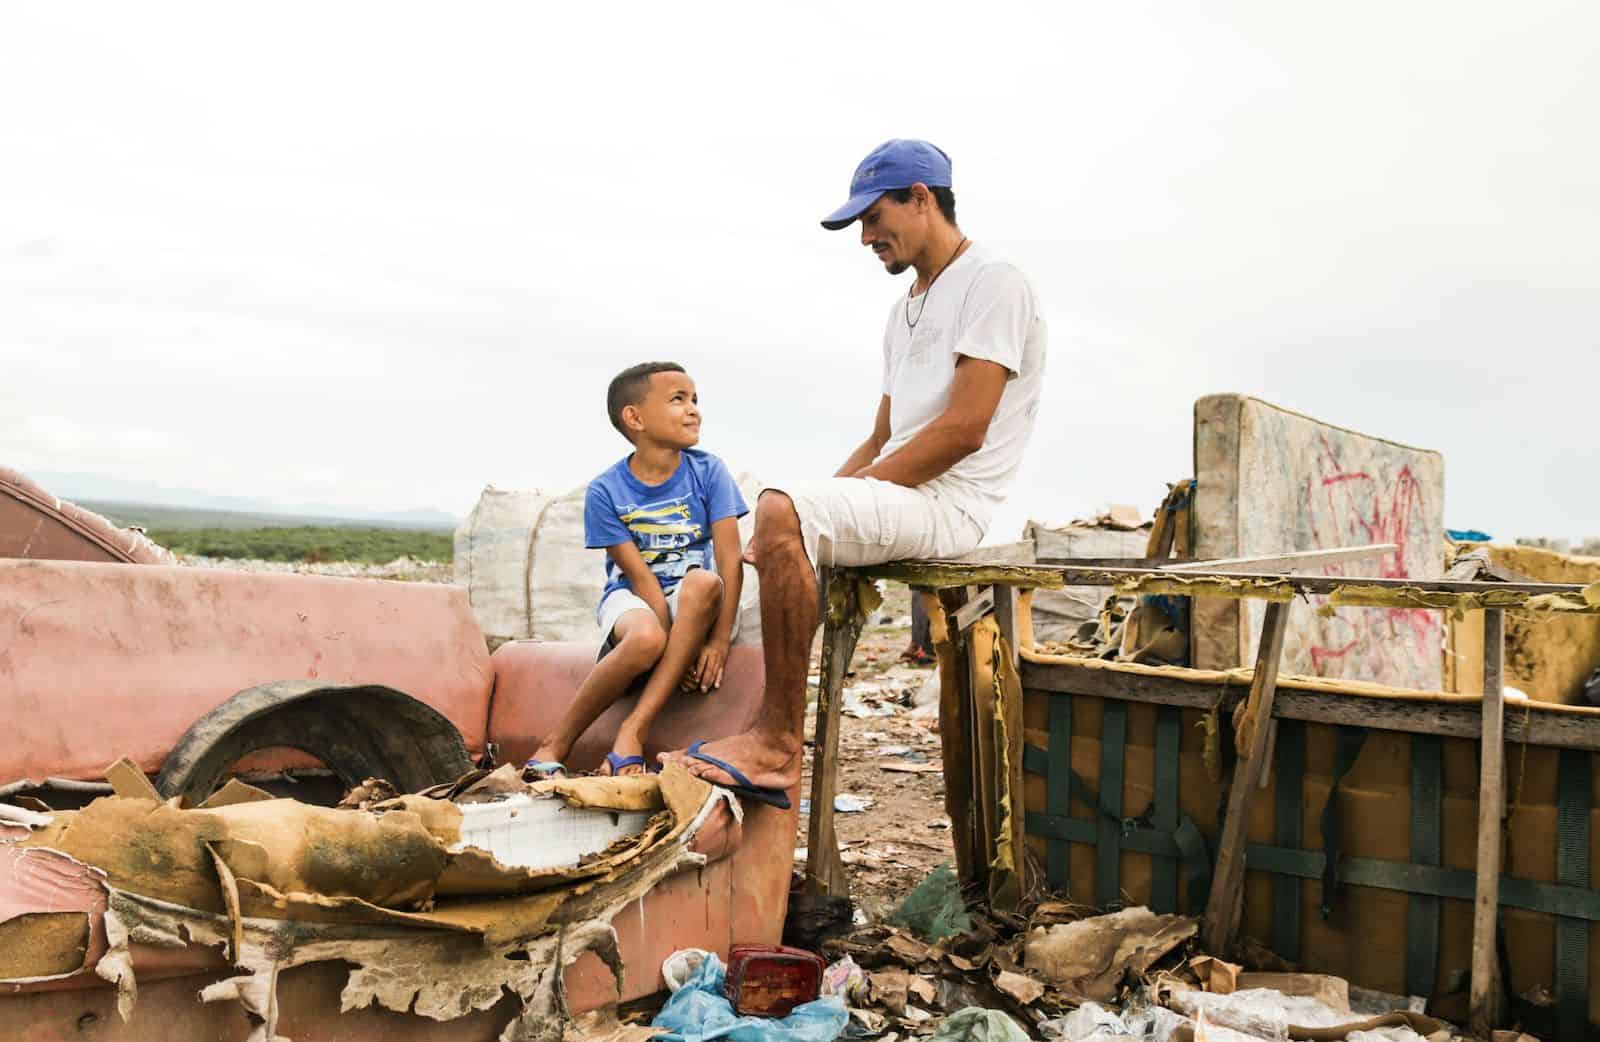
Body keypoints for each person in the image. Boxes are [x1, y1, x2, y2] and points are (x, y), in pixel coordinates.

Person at [659, 139, 1047, 804]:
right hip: (906, 493)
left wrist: (811, 507)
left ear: (921, 199)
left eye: (874, 218)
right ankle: (714, 719)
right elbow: (881, 435)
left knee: (784, 509)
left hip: (952, 501)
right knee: (767, 512)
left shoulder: (992, 282)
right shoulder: (907, 310)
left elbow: (963, 430)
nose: (866, 237)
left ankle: (779, 744)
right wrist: (802, 507)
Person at [526, 362, 747, 778]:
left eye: (695, 399)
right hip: (636, 598)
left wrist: (716, 640)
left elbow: (730, 561)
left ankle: (633, 730)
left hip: (700, 601)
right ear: (635, 418)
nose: (694, 409)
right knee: (646, 638)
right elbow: (639, 577)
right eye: (678, 399)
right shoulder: (606, 490)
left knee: (701, 580)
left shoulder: (709, 472)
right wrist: (674, 655)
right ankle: (552, 745)